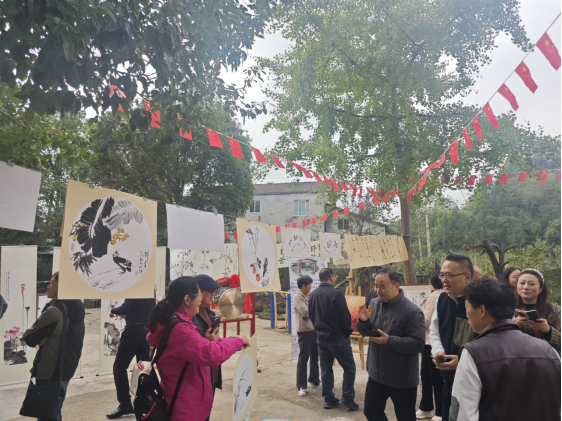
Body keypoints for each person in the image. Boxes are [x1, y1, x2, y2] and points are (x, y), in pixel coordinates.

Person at [450, 278, 561, 421]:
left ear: (482, 310)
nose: (467, 315)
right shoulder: (549, 351)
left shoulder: (473, 353)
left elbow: (462, 414)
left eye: (467, 308)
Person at [146, 276, 249, 421]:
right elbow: (212, 354)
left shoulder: (181, 322)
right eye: (199, 295)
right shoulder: (180, 329)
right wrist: (238, 340)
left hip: (192, 402)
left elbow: (203, 346)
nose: (200, 300)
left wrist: (232, 342)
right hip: (187, 408)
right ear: (187, 299)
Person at [357, 268, 425, 421]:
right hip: (377, 374)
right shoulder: (374, 304)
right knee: (371, 412)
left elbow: (418, 343)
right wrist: (364, 321)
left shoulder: (412, 311)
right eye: (376, 286)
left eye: (382, 286)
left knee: (405, 417)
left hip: (402, 378)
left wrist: (389, 340)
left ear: (396, 286)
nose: (378, 290)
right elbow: (366, 332)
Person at [22, 272, 85, 421]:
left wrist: (41, 337)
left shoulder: (55, 311)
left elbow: (29, 337)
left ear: (61, 285)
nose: (48, 286)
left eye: (51, 282)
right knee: (55, 409)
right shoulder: (76, 307)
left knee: (46, 414)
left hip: (51, 368)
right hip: (66, 367)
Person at [428, 253, 475, 421]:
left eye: (449, 275)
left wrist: (463, 362)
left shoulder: (479, 303)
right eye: (442, 275)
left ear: (467, 277)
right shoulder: (442, 299)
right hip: (448, 380)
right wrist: (438, 350)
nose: (444, 280)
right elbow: (434, 331)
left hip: (472, 382)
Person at [308, 268, 358, 411]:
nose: (335, 279)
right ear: (331, 277)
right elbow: (345, 316)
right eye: (334, 277)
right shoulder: (336, 294)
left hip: (321, 338)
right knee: (349, 368)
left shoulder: (313, 294)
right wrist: (348, 331)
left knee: (326, 369)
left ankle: (328, 399)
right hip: (337, 338)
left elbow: (312, 315)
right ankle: (347, 398)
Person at [106, 297, 156, 418]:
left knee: (119, 367)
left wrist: (113, 310)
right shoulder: (149, 290)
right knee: (144, 368)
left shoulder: (136, 289)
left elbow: (125, 308)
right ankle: (146, 402)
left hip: (133, 331)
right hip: (146, 329)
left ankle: (125, 404)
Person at [416, 271, 444, 421]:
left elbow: (426, 321)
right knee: (427, 376)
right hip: (432, 342)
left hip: (430, 342)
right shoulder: (445, 295)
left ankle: (439, 411)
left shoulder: (434, 296)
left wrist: (415, 320)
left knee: (433, 378)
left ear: (430, 283)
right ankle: (426, 407)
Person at [514, 268, 561, 354]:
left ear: (541, 289)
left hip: (547, 359)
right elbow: (498, 339)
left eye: (532, 284)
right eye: (522, 283)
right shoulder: (508, 310)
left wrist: (549, 330)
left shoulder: (555, 311)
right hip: (516, 358)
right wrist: (514, 326)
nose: (526, 287)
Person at [192, 274, 223, 394]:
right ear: (198, 292)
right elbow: (191, 346)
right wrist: (207, 341)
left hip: (212, 372)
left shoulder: (210, 314)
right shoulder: (190, 316)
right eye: (210, 290)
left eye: (214, 291)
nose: (213, 294)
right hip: (197, 376)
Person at [293, 275, 320, 397]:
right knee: (304, 358)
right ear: (303, 286)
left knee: (315, 356)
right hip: (304, 331)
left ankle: (314, 380)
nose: (311, 287)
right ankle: (301, 385)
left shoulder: (308, 295)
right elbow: (305, 312)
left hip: (314, 330)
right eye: (309, 285)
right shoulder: (298, 297)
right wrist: (315, 309)